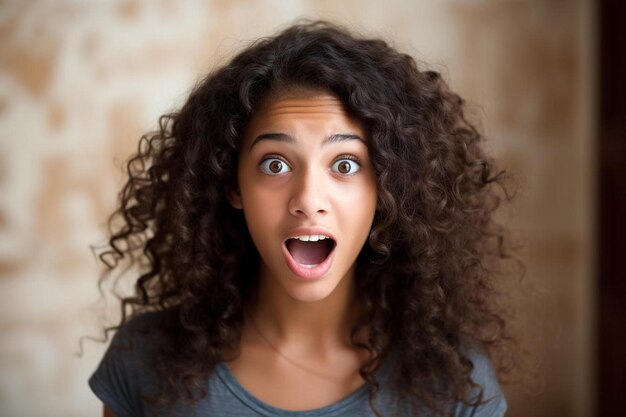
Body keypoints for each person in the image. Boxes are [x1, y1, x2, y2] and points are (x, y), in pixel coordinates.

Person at [89, 20, 519, 417]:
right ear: (232, 185)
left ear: (385, 191)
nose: (308, 200)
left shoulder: (456, 385)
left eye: (346, 165)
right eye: (275, 164)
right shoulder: (143, 361)